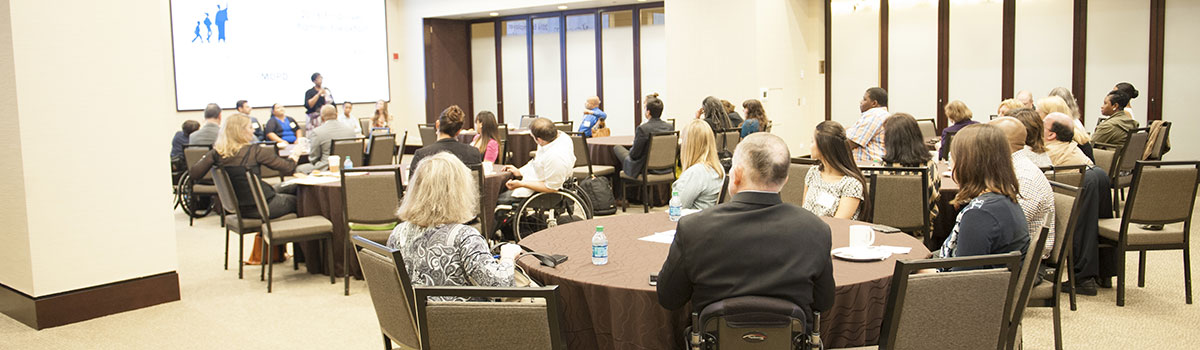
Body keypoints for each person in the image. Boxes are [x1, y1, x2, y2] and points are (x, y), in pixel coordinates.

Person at [657, 132, 835, 330]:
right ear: (785, 179)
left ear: (738, 174)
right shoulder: (816, 230)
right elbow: (824, 302)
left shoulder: (693, 227)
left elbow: (669, 299)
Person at [387, 152, 521, 300]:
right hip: (464, 320)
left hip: (417, 319)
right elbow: (503, 287)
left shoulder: (398, 233)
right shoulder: (465, 238)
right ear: (460, 192)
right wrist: (508, 256)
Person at [189, 113, 303, 265]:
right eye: (250, 127)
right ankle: (303, 257)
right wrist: (296, 153)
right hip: (264, 206)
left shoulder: (218, 153)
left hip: (242, 208)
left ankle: (275, 252)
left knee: (288, 187)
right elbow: (288, 167)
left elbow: (195, 173)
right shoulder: (254, 151)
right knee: (301, 197)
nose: (253, 131)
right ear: (240, 131)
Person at [937, 124, 1029, 270]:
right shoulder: (1003, 198)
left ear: (966, 164)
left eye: (952, 158)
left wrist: (920, 270)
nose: (950, 163)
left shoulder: (979, 214)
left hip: (975, 289)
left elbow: (963, 278)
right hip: (993, 283)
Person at [989, 117, 1055, 256]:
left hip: (1020, 265)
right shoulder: (1011, 169)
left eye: (986, 139)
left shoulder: (1024, 177)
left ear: (1001, 143)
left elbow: (1007, 229)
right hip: (1007, 255)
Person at [881, 113, 941, 235]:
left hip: (883, 233)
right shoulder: (928, 167)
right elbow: (933, 200)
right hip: (920, 233)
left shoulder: (879, 171)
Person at [500, 118, 576, 202]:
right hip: (535, 178)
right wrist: (520, 171)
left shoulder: (555, 156)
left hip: (541, 191)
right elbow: (537, 162)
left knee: (497, 199)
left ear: (539, 140)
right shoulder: (558, 137)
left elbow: (551, 188)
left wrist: (522, 184)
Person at [803, 121, 868, 220]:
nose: (810, 146)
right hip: (808, 231)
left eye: (812, 141)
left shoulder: (851, 184)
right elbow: (804, 212)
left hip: (834, 233)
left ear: (824, 146)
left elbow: (838, 224)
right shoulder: (813, 173)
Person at [613, 93, 674, 177]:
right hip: (666, 168)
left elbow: (634, 154)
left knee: (617, 148)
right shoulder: (670, 127)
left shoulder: (643, 129)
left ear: (648, 112)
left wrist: (631, 150)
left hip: (645, 168)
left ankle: (619, 188)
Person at [410, 105, 482, 173]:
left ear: (437, 124)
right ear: (458, 132)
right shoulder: (473, 153)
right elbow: (477, 184)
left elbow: (413, 184)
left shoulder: (421, 155)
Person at [673, 120, 726, 210]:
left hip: (695, 221)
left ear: (688, 145)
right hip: (711, 219)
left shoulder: (695, 173)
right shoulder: (718, 168)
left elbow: (677, 207)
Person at [297, 105, 355, 174]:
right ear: (336, 115)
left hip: (327, 167)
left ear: (322, 117)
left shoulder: (317, 132)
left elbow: (313, 158)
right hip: (347, 165)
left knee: (299, 169)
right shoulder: (350, 130)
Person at [846, 87, 889, 162]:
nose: (861, 102)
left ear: (874, 103)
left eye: (864, 99)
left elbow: (852, 142)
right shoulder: (883, 115)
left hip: (868, 166)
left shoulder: (874, 114)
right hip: (874, 164)